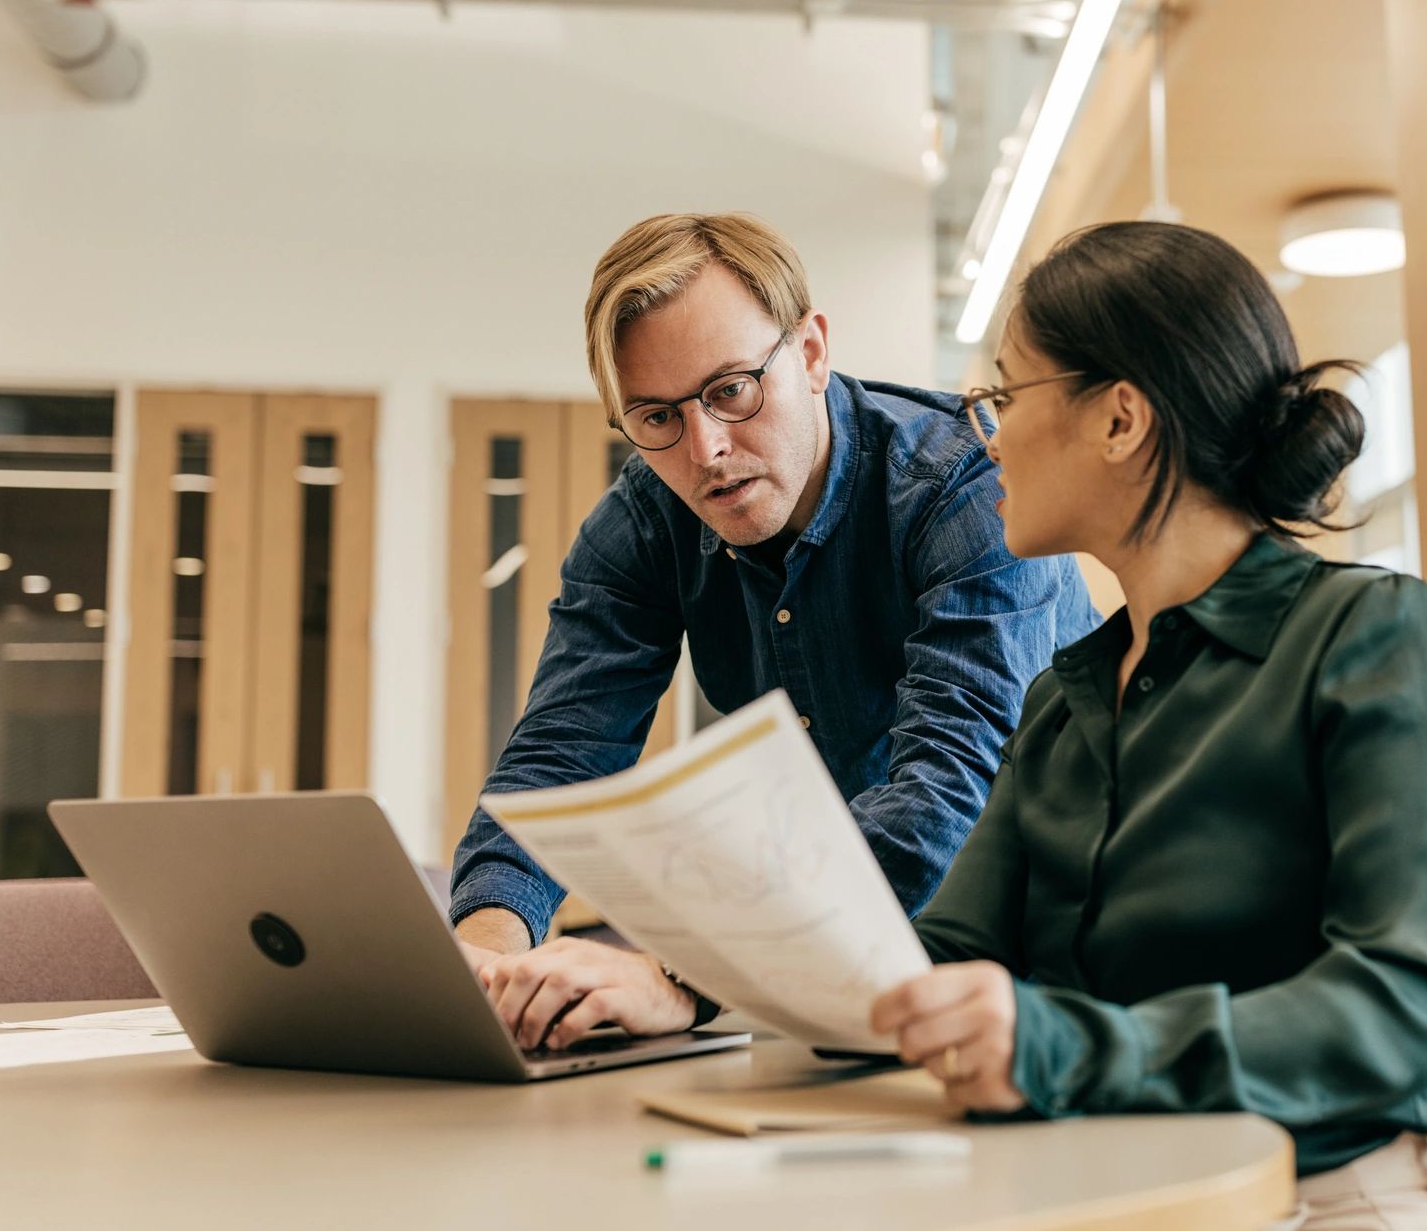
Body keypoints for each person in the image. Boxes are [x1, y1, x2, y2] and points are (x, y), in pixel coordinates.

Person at [870, 221, 1427, 1229]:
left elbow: (1409, 1007)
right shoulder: (1065, 693)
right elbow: (941, 954)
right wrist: (680, 976)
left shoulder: (1366, 637)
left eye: (1004, 393)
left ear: (1119, 418)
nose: (982, 432)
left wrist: (1062, 1049)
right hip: (1112, 1192)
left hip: (1339, 1195)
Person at [454, 212, 1097, 1053]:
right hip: (831, 963)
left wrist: (686, 975)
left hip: (1051, 955)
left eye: (731, 391)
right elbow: (559, 758)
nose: (706, 450)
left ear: (811, 353)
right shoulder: (645, 525)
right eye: (655, 418)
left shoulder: (965, 489)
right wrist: (486, 960)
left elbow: (947, 787)